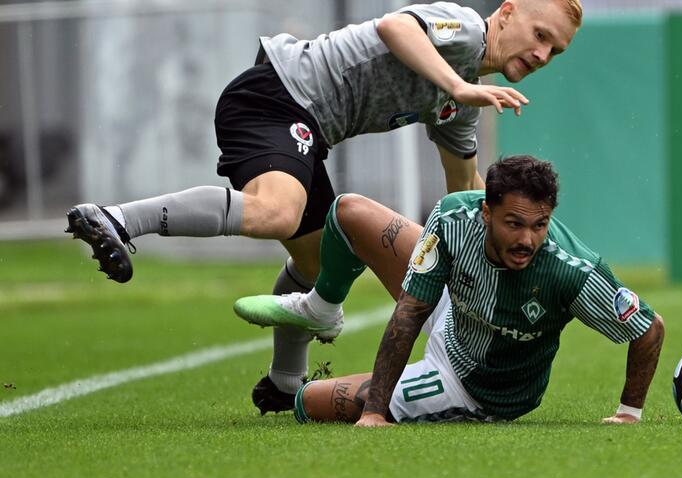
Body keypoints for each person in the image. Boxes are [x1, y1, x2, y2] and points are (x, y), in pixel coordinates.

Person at [64, 1, 583, 412]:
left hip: (307, 128)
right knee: (277, 213)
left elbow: (464, 194)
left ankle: (283, 384)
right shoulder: (467, 31)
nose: (541, 55)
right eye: (540, 36)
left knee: (318, 267)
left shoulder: (462, 104)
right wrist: (456, 84)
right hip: (277, 97)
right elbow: (395, 27)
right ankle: (115, 220)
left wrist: (506, 242)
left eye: (555, 52)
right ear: (509, 10)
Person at [235, 155, 665, 425]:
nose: (526, 240)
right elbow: (410, 310)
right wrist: (373, 413)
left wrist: (629, 413)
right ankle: (323, 308)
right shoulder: (452, 219)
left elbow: (649, 329)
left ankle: (291, 387)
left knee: (309, 403)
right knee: (349, 210)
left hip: (472, 385)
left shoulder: (572, 272)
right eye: (513, 223)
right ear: (485, 212)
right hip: (456, 312)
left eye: (539, 225)